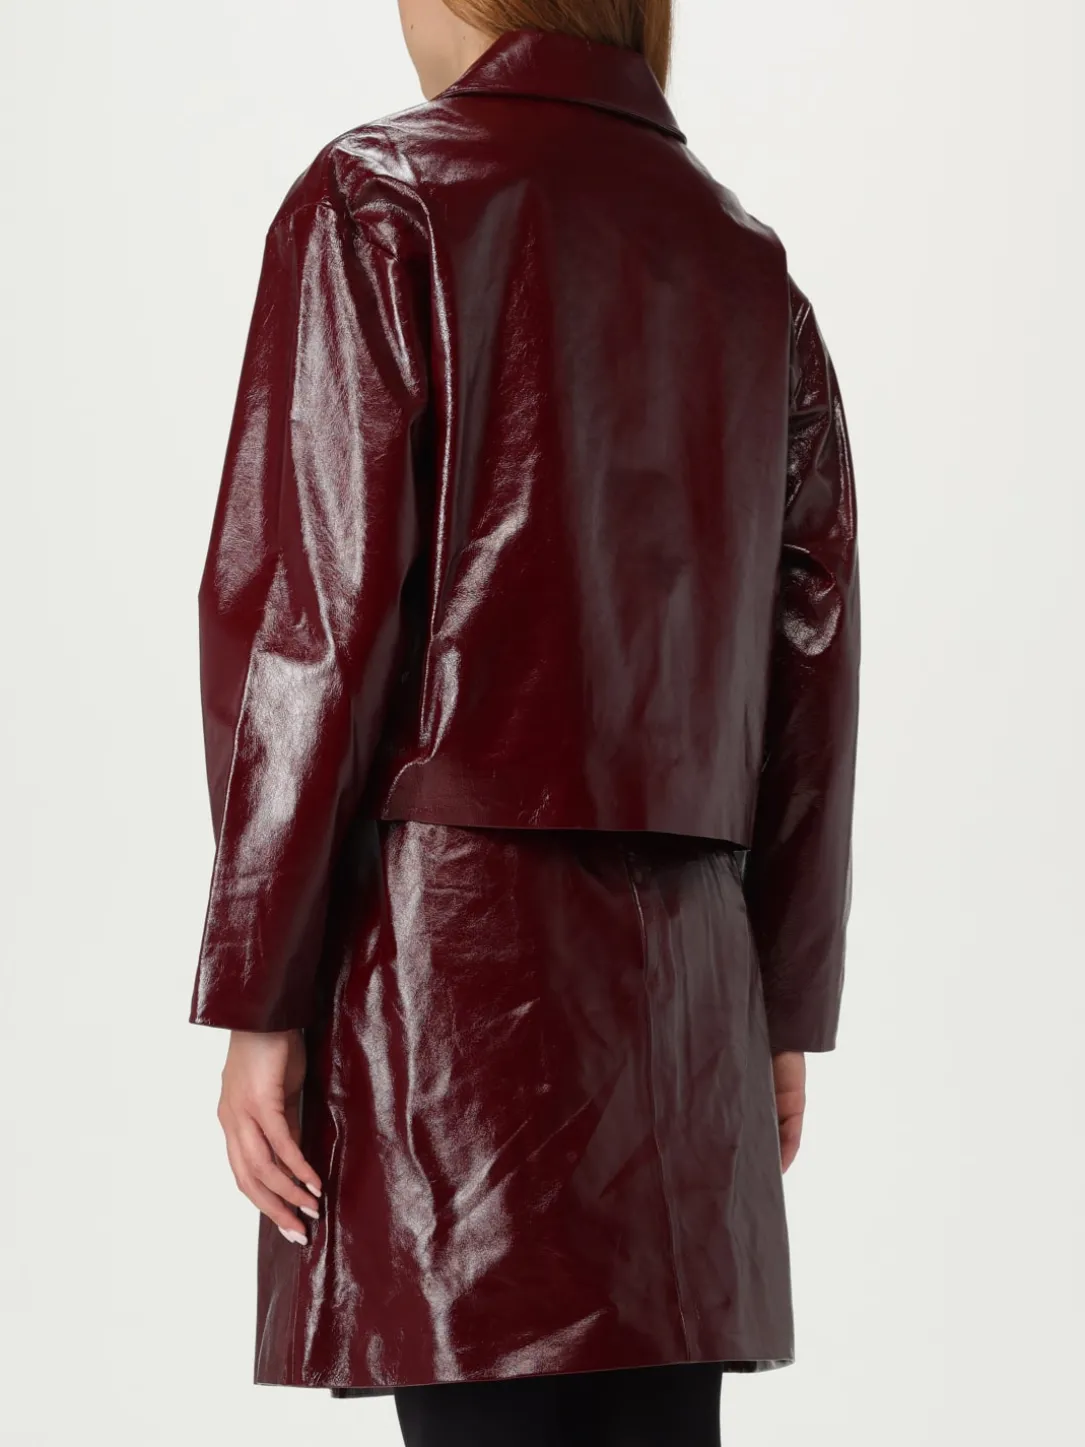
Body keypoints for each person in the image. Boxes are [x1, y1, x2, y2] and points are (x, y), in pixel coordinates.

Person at [188, 1, 861, 1442]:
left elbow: (315, 623)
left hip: (457, 1006)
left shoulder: (381, 200)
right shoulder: (748, 267)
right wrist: (778, 1005)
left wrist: (262, 985)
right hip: (687, 1014)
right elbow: (810, 659)